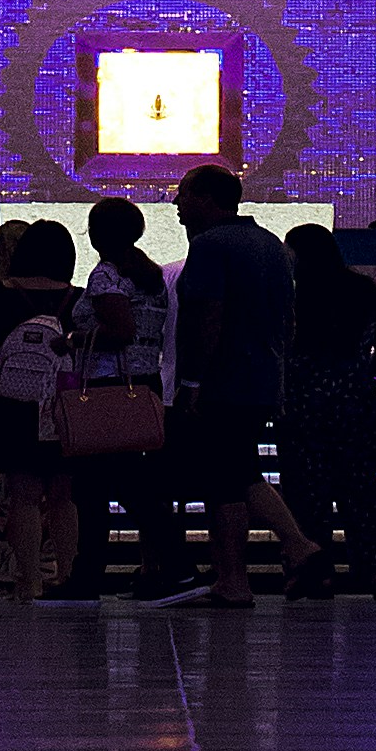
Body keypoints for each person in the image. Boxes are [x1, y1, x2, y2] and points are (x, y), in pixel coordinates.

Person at [162, 164, 307, 607]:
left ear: (206, 198)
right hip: (261, 377)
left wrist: (191, 380)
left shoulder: (210, 246)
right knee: (235, 471)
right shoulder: (272, 245)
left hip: (222, 380)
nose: (176, 204)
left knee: (228, 476)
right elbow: (288, 320)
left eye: (184, 193)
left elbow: (208, 315)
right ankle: (244, 572)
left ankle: (279, 554)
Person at [56, 200, 187, 603]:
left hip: (107, 386)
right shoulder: (150, 275)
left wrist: (72, 340)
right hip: (143, 384)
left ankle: (95, 575)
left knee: (99, 486)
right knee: (127, 482)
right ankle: (167, 566)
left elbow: (119, 330)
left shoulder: (106, 275)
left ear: (97, 233)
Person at [0, 219, 85, 604]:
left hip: (12, 405)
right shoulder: (77, 298)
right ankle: (67, 575)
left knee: (24, 496)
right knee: (64, 495)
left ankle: (29, 581)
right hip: (62, 405)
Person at [275, 224, 376, 594]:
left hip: (302, 403)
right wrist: (361, 374)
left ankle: (315, 570)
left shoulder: (292, 294)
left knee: (306, 489)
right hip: (354, 401)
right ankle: (374, 569)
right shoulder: (365, 289)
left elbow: (280, 345)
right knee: (360, 488)